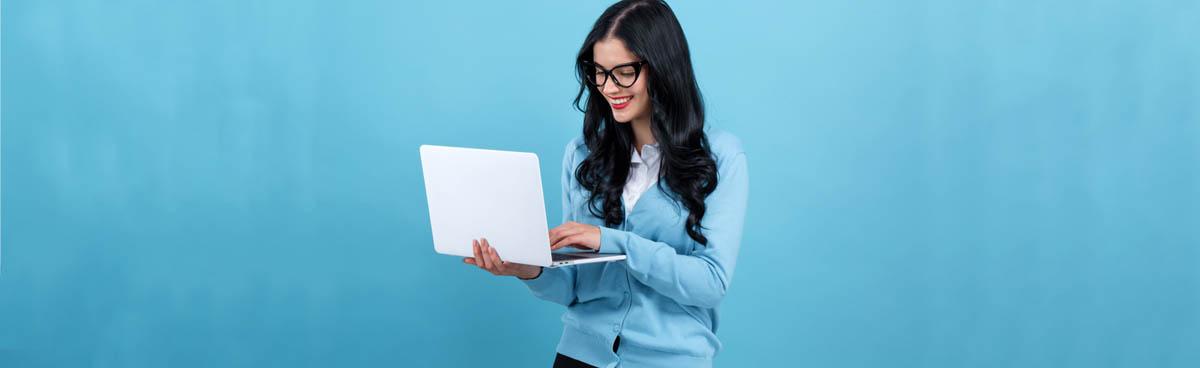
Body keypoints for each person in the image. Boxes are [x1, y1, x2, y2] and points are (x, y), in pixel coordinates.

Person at [462, 1, 748, 366]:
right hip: (579, 356)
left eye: (623, 72)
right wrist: (528, 270)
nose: (608, 87)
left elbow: (710, 283)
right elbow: (575, 287)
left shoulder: (721, 156)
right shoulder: (582, 154)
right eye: (598, 72)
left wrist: (612, 241)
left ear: (662, 67)